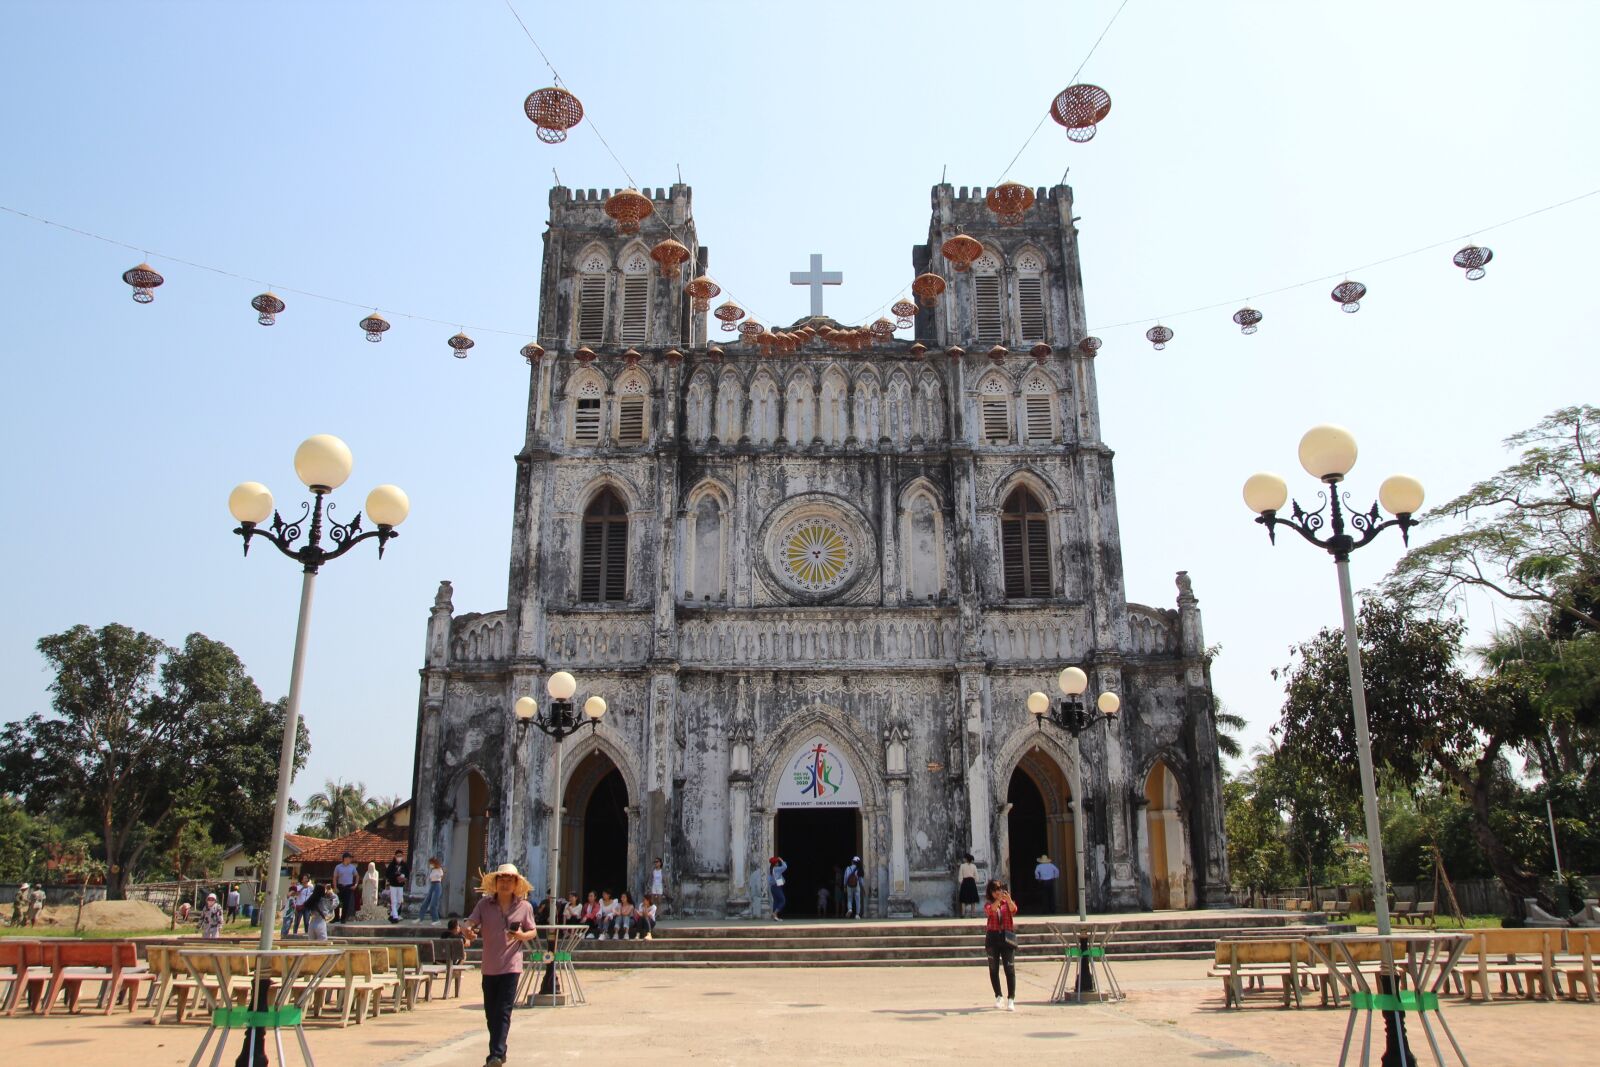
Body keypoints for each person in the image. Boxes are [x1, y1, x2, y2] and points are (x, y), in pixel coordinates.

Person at [462, 864, 538, 1067]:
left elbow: (533, 931)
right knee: (491, 1012)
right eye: (501, 880)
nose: (505, 883)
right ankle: (499, 1051)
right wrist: (467, 931)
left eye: (509, 880)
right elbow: (469, 923)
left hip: (512, 966)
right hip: (489, 965)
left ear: (516, 884)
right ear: (495, 883)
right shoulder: (484, 905)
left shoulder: (524, 907)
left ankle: (495, 1054)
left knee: (503, 1010)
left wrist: (522, 936)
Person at [983, 878, 1019, 1012]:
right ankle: (998, 996)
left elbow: (1014, 910)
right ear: (991, 893)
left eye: (999, 889)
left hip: (1007, 937)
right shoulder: (989, 904)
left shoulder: (1007, 903)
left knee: (1009, 968)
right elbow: (990, 911)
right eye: (994, 890)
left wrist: (1008, 900)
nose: (997, 892)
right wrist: (998, 900)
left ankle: (1011, 998)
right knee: (993, 969)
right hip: (993, 937)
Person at [333, 851, 359, 923]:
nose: (350, 859)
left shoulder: (352, 867)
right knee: (337, 902)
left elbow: (357, 876)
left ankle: (343, 918)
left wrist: (356, 885)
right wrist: (335, 887)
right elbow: (335, 877)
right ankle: (336, 917)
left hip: (348, 887)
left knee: (346, 903)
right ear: (345, 858)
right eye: (349, 858)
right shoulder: (338, 867)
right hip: (340, 886)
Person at [385, 850, 410, 923]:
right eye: (398, 856)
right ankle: (395, 917)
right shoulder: (391, 865)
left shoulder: (404, 865)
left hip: (400, 885)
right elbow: (387, 874)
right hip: (393, 885)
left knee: (399, 901)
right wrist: (395, 876)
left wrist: (404, 878)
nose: (399, 857)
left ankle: (392, 914)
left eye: (401, 856)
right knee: (394, 901)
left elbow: (407, 873)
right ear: (395, 856)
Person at [420, 856, 445, 921]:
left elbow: (441, 877)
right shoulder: (432, 870)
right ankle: (420, 918)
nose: (430, 865)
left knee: (433, 905)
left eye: (431, 863)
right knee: (424, 904)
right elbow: (430, 878)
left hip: (437, 885)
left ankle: (436, 920)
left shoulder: (439, 870)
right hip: (432, 885)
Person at [958, 854, 981, 918]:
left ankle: (963, 914)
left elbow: (960, 875)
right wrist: (975, 881)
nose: (963, 859)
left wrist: (961, 882)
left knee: (963, 899)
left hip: (965, 882)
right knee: (973, 899)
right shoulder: (973, 866)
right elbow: (976, 876)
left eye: (964, 858)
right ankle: (973, 914)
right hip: (972, 882)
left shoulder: (962, 866)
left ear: (966, 859)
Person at [768, 856, 787, 922]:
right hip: (776, 886)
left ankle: (775, 917)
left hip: (772, 887)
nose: (778, 863)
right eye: (777, 862)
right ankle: (774, 913)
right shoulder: (776, 869)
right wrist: (781, 860)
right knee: (783, 900)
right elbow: (785, 867)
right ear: (775, 863)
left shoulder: (771, 869)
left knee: (776, 901)